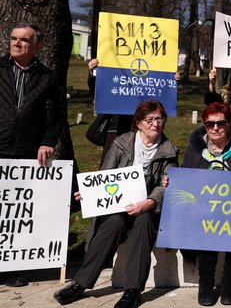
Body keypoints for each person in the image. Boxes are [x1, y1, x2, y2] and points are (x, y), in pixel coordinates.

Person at [53, 101, 179, 308]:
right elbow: (105, 175)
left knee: (144, 222)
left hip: (148, 207)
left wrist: (149, 202)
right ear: (138, 123)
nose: (156, 123)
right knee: (114, 223)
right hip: (120, 205)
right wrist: (89, 193)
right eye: (150, 119)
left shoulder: (169, 150)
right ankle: (81, 283)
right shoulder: (122, 143)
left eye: (159, 118)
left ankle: (132, 290)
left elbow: (166, 185)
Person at [175, 102, 231, 305]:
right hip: (202, 211)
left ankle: (228, 282)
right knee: (203, 227)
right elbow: (186, 181)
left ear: (229, 124)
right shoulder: (195, 150)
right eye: (210, 124)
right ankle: (206, 282)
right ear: (205, 125)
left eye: (220, 123)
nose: (215, 128)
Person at [0, 23, 66, 287]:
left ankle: (11, 268)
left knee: (16, 214)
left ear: (37, 46)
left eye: (24, 40)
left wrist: (48, 141)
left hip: (28, 154)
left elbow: (58, 115)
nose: (16, 43)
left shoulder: (48, 78)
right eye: (14, 38)